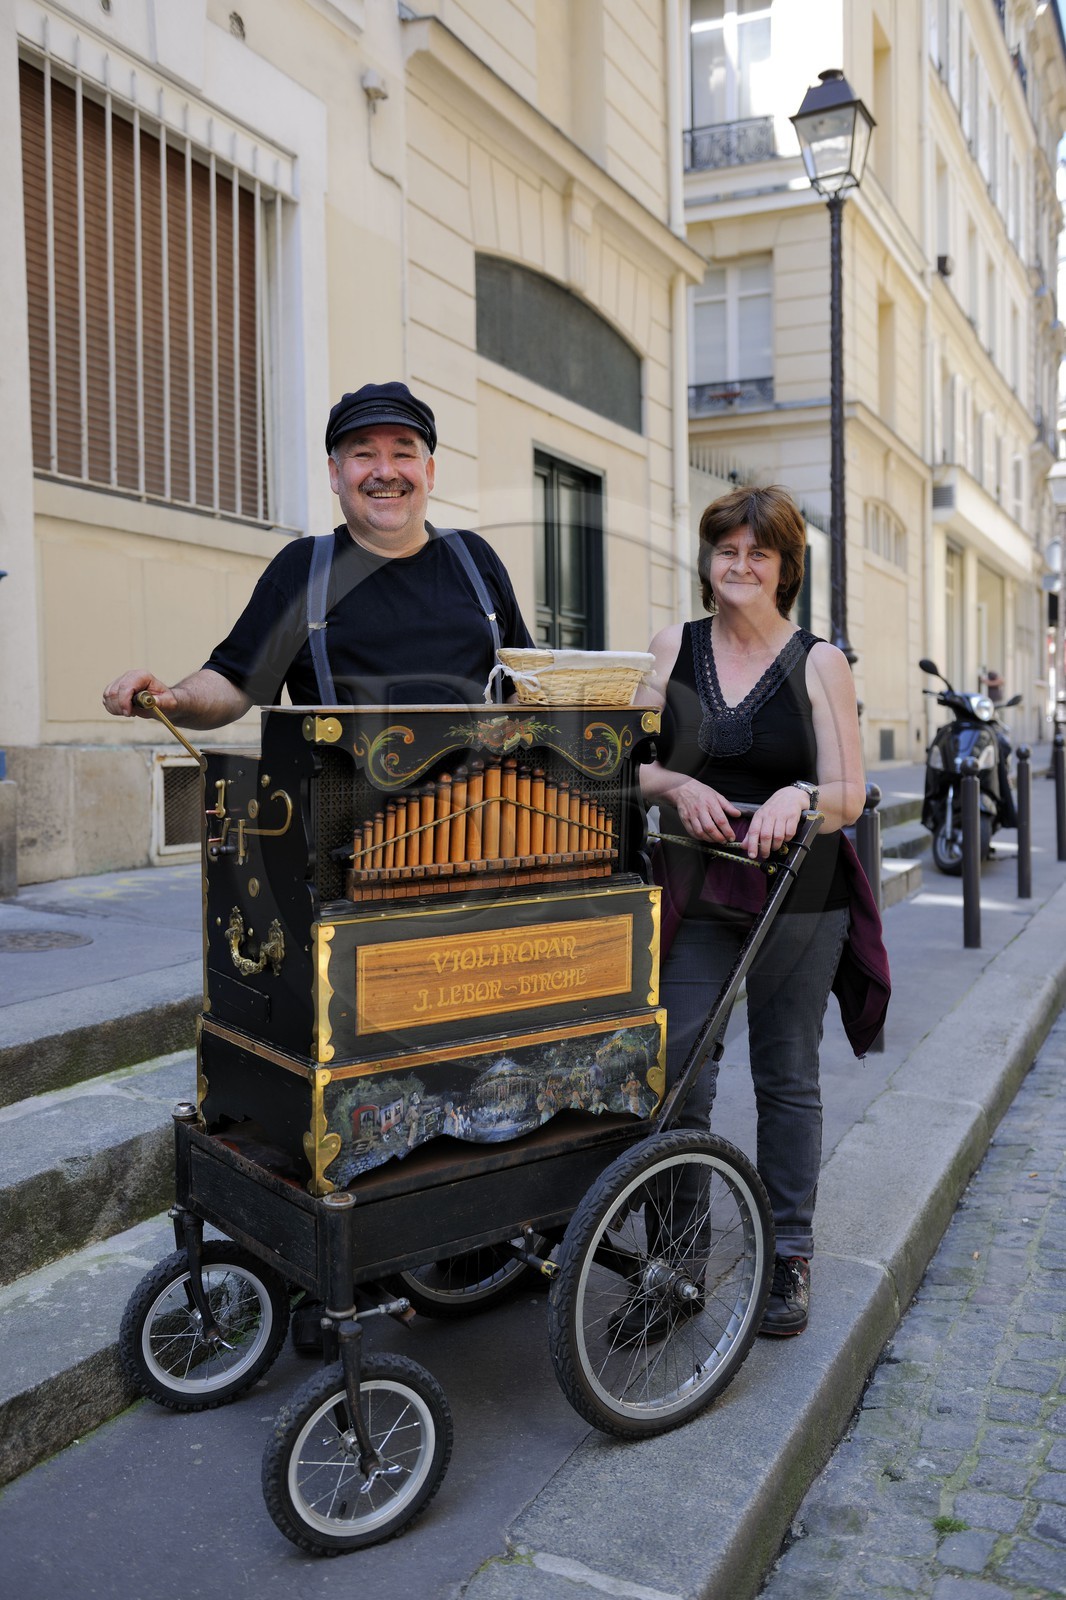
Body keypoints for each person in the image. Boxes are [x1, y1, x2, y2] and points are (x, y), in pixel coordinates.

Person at [638, 484, 866, 1338]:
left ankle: (789, 1255)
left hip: (802, 893)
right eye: (727, 550)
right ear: (708, 561)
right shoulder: (671, 647)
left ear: (784, 568)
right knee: (682, 1065)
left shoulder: (819, 662)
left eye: (758, 553)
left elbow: (849, 793)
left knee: (787, 1075)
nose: (740, 565)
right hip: (698, 885)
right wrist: (677, 781)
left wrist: (800, 794)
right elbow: (625, 767)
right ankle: (677, 1259)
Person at [102, 381, 533, 724]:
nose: (385, 471)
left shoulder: (475, 558)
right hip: (346, 823)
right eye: (363, 454)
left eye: (403, 453)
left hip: (482, 820)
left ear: (429, 472)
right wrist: (173, 698)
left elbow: (525, 685)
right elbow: (235, 683)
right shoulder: (303, 569)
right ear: (335, 474)